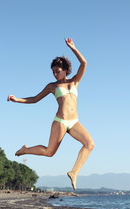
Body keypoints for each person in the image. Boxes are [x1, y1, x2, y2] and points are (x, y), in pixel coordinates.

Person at [7, 38, 95, 190]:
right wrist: (17, 100)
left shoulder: (74, 81)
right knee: (49, 152)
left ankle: (74, 173)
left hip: (74, 122)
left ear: (65, 70)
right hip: (60, 121)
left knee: (89, 144)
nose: (55, 74)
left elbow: (84, 63)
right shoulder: (52, 86)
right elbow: (35, 99)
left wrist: (73, 48)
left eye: (57, 71)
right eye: (53, 71)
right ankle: (25, 150)